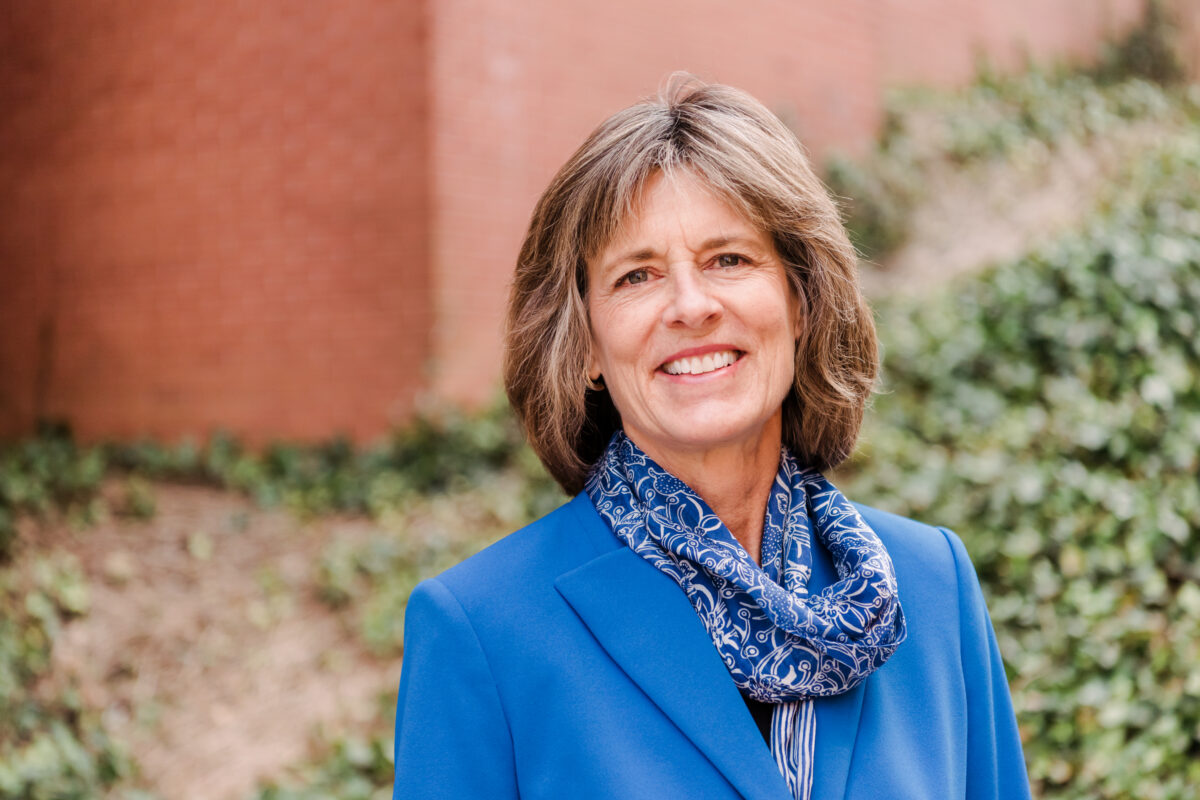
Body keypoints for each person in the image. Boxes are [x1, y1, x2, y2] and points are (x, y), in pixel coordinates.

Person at [392, 76, 1031, 800]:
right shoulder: (483, 631)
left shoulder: (934, 586)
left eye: (729, 258)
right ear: (587, 346)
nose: (691, 306)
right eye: (638, 276)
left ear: (801, 301)